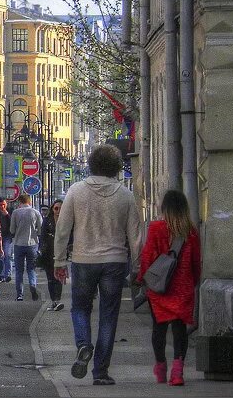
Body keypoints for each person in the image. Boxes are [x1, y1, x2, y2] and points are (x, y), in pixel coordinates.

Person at [54, 144, 142, 386]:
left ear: (91, 164)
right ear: (115, 167)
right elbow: (135, 234)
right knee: (108, 315)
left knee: (80, 308)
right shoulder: (125, 195)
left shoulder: (76, 191)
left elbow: (62, 229)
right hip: (115, 261)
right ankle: (101, 372)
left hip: (83, 260)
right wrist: (137, 267)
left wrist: (59, 261)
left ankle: (83, 344)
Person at [138, 190, 201, 387]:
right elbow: (196, 262)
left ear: (164, 207)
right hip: (182, 288)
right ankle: (178, 372)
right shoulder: (190, 231)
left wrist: (142, 279)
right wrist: (194, 282)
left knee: (159, 329)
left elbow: (147, 256)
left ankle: (160, 369)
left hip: (160, 288)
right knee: (180, 329)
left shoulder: (156, 228)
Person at [9, 193, 43, 302]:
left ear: (20, 202)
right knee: (31, 268)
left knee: (19, 270)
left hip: (19, 244)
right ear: (30, 201)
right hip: (32, 244)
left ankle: (20, 295)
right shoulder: (35, 212)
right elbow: (41, 229)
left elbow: (12, 230)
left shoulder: (15, 213)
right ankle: (32, 285)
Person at [36, 199, 64, 311]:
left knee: (59, 277)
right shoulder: (47, 221)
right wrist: (41, 249)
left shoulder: (66, 220)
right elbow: (42, 236)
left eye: (61, 208)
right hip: (48, 253)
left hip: (61, 253)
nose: (58, 211)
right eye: (56, 208)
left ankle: (57, 300)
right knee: (51, 278)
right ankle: (53, 301)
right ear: (52, 209)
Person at [0, 197, 13, 282]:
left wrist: (7, 215)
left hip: (7, 236)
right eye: (0, 205)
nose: (2, 206)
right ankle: (1, 275)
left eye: (4, 204)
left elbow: (13, 224)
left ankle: (8, 275)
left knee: (8, 255)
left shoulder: (10, 211)